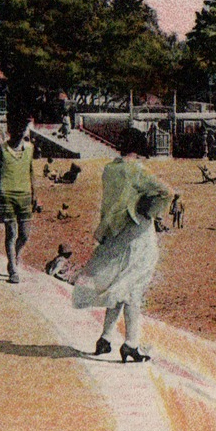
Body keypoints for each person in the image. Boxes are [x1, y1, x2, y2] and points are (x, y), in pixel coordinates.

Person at [72, 146, 173, 363]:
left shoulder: (110, 169)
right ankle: (131, 344)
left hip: (116, 232)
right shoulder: (137, 169)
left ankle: (106, 338)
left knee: (120, 283)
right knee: (133, 288)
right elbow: (167, 192)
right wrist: (147, 209)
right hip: (138, 234)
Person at [0, 110, 36, 284]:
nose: (20, 131)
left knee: (24, 235)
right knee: (11, 233)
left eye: (23, 127)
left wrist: (35, 194)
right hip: (6, 195)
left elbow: (31, 171)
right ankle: (12, 267)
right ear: (10, 129)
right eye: (17, 127)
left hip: (25, 195)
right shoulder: (1, 150)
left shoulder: (30, 148)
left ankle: (15, 256)